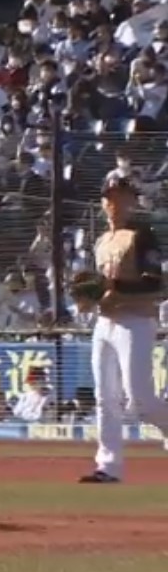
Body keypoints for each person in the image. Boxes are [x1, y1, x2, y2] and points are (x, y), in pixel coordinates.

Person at [77, 177, 168, 483]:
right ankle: (108, 466)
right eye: (110, 197)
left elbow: (154, 283)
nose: (115, 203)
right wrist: (88, 299)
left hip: (135, 321)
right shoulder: (102, 241)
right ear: (103, 202)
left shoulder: (142, 236)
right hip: (104, 323)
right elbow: (98, 286)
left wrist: (113, 289)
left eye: (122, 196)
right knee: (105, 397)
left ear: (132, 201)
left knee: (139, 399)